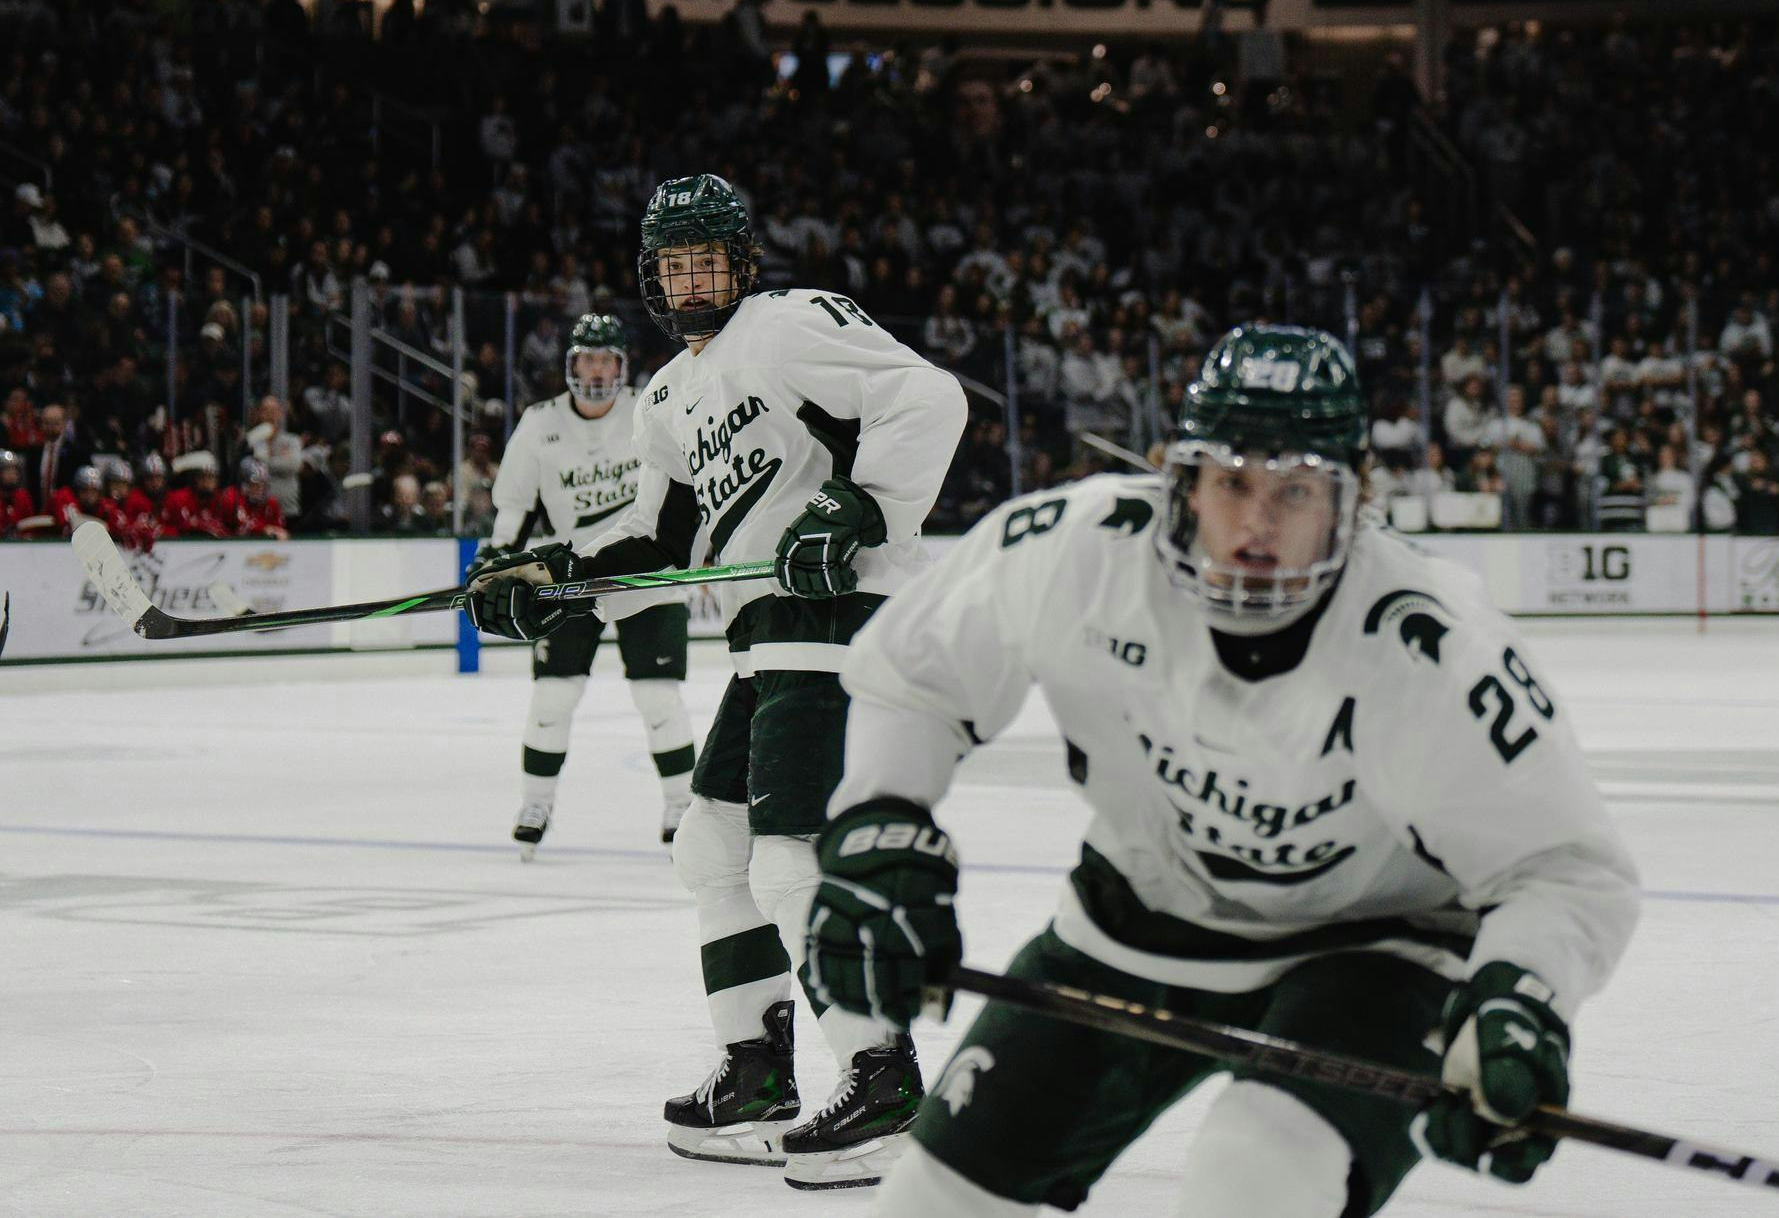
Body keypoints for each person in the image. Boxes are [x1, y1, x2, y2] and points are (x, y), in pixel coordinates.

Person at [806, 325, 1640, 1217]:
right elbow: (913, 674)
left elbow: (1566, 868)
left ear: (1352, 501)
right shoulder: (1076, 550)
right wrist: (879, 823)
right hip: (1135, 919)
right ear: (1182, 479)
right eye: (1233, 483)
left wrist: (1519, 997)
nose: (1256, 524)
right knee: (929, 1205)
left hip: (1371, 949)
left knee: (1252, 1179)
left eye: (1296, 492)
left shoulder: (1431, 645)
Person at [462, 174, 968, 1189]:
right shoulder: (663, 397)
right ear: (653, 276)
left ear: (743, 265)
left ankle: (883, 1077)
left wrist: (861, 510)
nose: (694, 279)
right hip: (761, 638)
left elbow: (928, 395)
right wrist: (548, 574)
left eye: (710, 260)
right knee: (709, 847)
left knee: (788, 858)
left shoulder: (786, 327)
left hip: (838, 621)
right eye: (675, 263)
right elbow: (652, 532)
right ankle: (755, 1068)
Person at [475, 314, 698, 859]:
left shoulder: (652, 410)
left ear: (622, 366)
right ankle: (536, 802)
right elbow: (515, 508)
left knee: (657, 698)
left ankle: (680, 808)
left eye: (606, 360)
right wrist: (495, 559)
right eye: (586, 360)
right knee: (553, 697)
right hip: (570, 579)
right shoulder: (539, 423)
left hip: (648, 573)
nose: (596, 371)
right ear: (570, 365)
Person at [218, 458, 289, 538]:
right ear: (244, 483)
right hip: (229, 545)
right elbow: (241, 525)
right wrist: (264, 529)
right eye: (255, 484)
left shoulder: (271, 502)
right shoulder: (232, 497)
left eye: (263, 484)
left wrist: (277, 531)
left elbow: (279, 529)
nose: (260, 489)